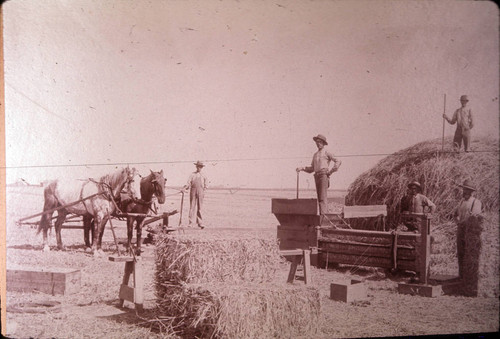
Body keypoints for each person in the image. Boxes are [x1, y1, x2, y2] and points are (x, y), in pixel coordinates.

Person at [296, 134, 342, 219]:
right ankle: (322, 217)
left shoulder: (327, 152)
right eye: (317, 142)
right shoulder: (315, 154)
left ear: (324, 143)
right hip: (316, 176)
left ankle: (324, 219)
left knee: (322, 198)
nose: (318, 144)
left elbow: (338, 161)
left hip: (323, 175)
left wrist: (331, 172)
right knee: (319, 198)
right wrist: (302, 168)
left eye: (320, 142)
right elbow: (312, 168)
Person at [454, 179, 482, 278]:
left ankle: (467, 277)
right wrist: (457, 219)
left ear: (471, 192)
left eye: (467, 190)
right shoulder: (461, 201)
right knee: (460, 252)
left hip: (469, 231)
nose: (464, 191)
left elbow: (474, 217)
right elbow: (456, 213)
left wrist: (466, 222)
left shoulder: (476, 202)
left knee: (468, 253)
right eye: (464, 189)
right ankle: (461, 275)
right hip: (460, 229)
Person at [183, 161, 208, 229]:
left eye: (200, 167)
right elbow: (188, 183)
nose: (199, 168)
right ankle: (190, 223)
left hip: (201, 191)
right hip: (193, 191)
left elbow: (206, 184)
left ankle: (200, 223)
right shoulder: (192, 174)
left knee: (200, 208)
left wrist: (204, 190)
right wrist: (185, 187)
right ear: (196, 167)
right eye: (198, 166)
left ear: (201, 167)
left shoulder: (204, 175)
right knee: (192, 207)